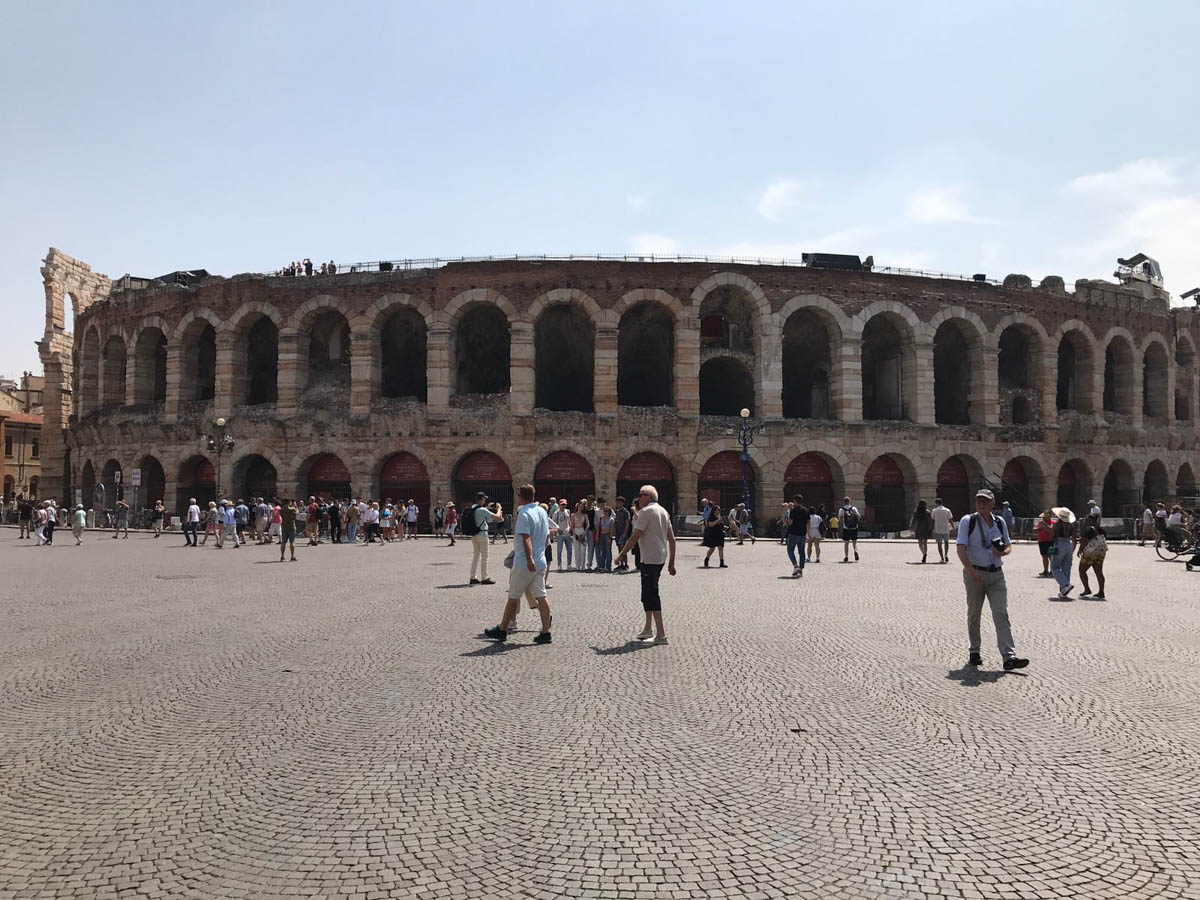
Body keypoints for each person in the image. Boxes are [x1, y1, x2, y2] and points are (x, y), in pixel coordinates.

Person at [956, 488, 1028, 671]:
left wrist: (1002, 551)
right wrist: (970, 571)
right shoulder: (968, 521)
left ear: (992, 503)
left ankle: (1008, 657)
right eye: (979, 501)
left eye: (985, 501)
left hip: (996, 574)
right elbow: (960, 548)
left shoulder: (1000, 521)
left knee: (1001, 614)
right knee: (974, 614)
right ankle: (974, 651)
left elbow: (1009, 546)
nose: (981, 504)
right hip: (975, 574)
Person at [483, 484, 553, 644]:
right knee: (541, 596)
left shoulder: (524, 513)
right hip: (540, 560)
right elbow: (545, 534)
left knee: (513, 597)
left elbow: (525, 537)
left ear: (520, 496)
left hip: (524, 562)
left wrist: (529, 559)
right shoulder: (542, 511)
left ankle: (502, 629)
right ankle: (545, 632)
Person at [614, 484, 676, 645]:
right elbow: (672, 539)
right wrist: (671, 562)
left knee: (651, 594)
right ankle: (648, 628)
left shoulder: (647, 512)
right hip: (659, 557)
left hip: (650, 558)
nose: (639, 497)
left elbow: (635, 536)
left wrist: (622, 554)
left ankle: (661, 634)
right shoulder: (663, 510)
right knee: (647, 593)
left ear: (649, 497)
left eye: (642, 494)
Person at [467, 493, 503, 585]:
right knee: (485, 556)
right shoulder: (482, 510)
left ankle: (473, 577)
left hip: (474, 534)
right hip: (482, 534)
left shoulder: (473, 508)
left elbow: (484, 516)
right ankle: (484, 577)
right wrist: (498, 509)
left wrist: (488, 508)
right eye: (484, 499)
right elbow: (498, 517)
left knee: (476, 556)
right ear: (482, 499)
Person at [1050, 508, 1077, 598]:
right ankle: (1063, 591)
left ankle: (1065, 585)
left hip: (1059, 544)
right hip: (1068, 544)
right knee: (1066, 568)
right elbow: (1074, 539)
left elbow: (1052, 536)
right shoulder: (1071, 526)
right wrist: (1072, 550)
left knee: (1054, 567)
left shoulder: (1057, 525)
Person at [1077, 521, 1107, 599]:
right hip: (1101, 552)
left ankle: (1087, 589)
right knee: (1099, 572)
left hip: (1090, 553)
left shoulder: (1089, 529)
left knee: (1082, 570)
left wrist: (1080, 550)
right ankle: (1101, 591)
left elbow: (1085, 541)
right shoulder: (1099, 529)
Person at [784, 494, 807, 577]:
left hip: (793, 533)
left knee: (790, 550)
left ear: (794, 501)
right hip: (802, 534)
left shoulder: (793, 511)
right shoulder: (805, 510)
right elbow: (808, 522)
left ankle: (795, 566)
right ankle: (801, 569)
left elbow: (790, 522)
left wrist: (787, 521)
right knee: (802, 552)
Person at [702, 502, 726, 568]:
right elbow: (710, 524)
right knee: (712, 549)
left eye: (719, 510)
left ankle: (722, 563)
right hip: (712, 534)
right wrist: (717, 521)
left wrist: (725, 527)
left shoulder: (719, 517)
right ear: (714, 510)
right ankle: (706, 559)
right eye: (718, 510)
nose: (719, 511)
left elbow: (721, 525)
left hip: (719, 534)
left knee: (720, 548)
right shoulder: (711, 517)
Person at [931, 498, 954, 564]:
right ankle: (946, 554)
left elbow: (932, 520)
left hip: (938, 529)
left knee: (939, 544)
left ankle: (942, 558)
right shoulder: (947, 510)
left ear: (936, 503)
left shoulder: (934, 510)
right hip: (946, 529)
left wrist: (932, 529)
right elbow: (950, 520)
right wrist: (953, 528)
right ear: (942, 502)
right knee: (946, 542)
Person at [612, 497, 632, 573]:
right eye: (617, 502)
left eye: (619, 502)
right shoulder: (617, 512)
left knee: (623, 549)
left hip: (622, 533)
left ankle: (626, 565)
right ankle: (621, 564)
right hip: (617, 533)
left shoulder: (625, 512)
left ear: (622, 503)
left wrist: (624, 533)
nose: (617, 504)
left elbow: (627, 523)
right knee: (619, 549)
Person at [553, 499, 573, 571]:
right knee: (559, 550)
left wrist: (570, 528)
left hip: (567, 533)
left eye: (564, 504)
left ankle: (569, 564)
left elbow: (569, 520)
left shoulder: (567, 511)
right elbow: (553, 523)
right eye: (562, 504)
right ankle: (559, 564)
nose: (563, 506)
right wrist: (557, 530)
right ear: (559, 505)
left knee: (570, 549)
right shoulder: (556, 513)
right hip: (560, 534)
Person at [839, 497, 861, 562]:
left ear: (844, 502)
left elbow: (839, 519)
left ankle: (846, 556)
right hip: (854, 527)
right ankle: (855, 551)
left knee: (846, 542)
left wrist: (843, 520)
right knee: (854, 542)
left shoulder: (841, 509)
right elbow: (859, 516)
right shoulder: (853, 508)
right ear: (850, 501)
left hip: (846, 527)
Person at [1034, 510, 1055, 577]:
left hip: (1050, 542)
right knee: (1044, 556)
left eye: (1045, 517)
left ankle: (1053, 571)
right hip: (1042, 541)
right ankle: (1045, 570)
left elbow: (1051, 531)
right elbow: (1035, 530)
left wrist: (1045, 526)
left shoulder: (1053, 523)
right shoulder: (1040, 522)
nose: (1043, 518)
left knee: (1051, 557)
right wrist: (1041, 527)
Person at [596, 505, 615, 572]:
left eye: (607, 511)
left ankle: (608, 567)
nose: (605, 512)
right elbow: (598, 528)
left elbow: (612, 529)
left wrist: (610, 537)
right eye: (604, 511)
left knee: (608, 551)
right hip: (602, 535)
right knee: (602, 551)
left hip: (607, 535)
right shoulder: (601, 518)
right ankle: (602, 566)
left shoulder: (611, 519)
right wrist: (597, 536)